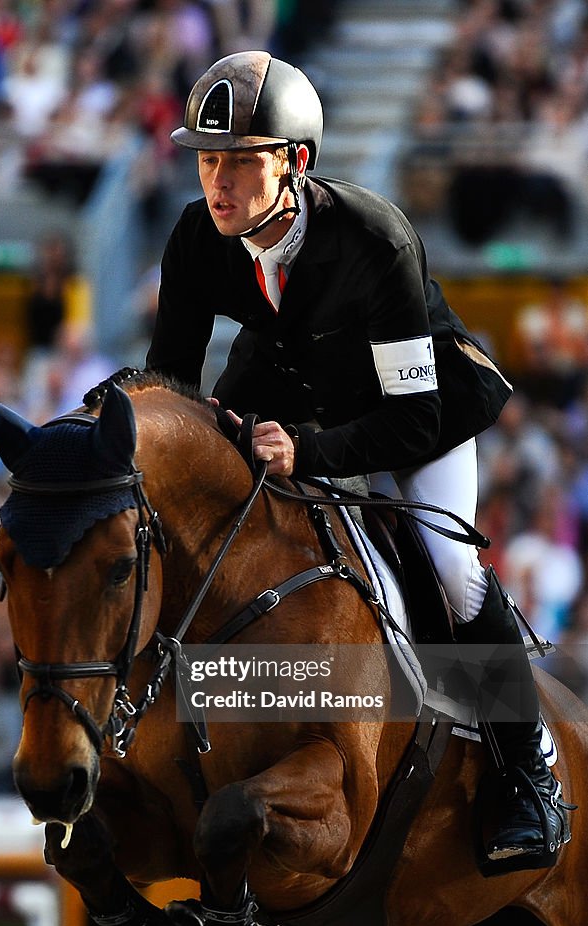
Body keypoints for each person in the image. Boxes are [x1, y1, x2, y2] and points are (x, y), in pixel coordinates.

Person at [145, 50, 571, 873]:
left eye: (239, 159)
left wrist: (306, 448)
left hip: (416, 412)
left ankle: (528, 772)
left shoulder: (373, 236)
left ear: (295, 161)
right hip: (292, 385)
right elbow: (169, 376)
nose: (216, 181)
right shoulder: (198, 235)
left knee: (447, 568)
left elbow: (407, 415)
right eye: (206, 159)